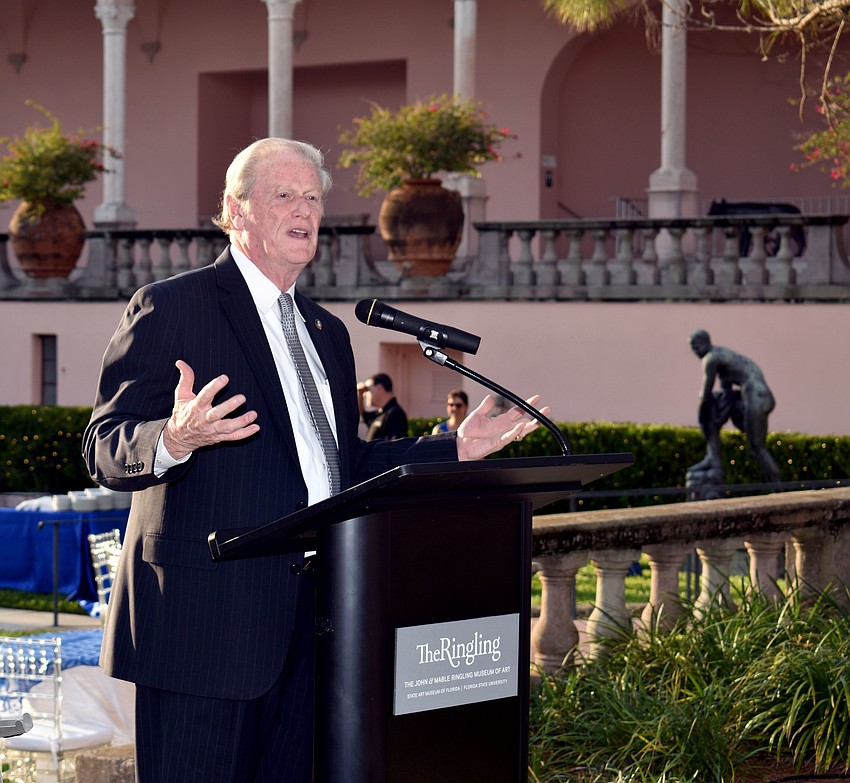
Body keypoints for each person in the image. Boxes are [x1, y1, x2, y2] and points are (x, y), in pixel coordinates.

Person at [82, 137, 546, 783]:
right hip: (203, 633)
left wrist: (456, 447)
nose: (305, 210)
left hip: (316, 628)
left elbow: (344, 465)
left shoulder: (326, 332)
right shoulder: (173, 306)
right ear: (235, 210)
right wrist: (173, 438)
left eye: (313, 198)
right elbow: (104, 444)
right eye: (284, 195)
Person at [688, 329, 780, 483]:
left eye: (696, 346)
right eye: (692, 348)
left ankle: (778, 490)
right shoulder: (724, 356)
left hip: (757, 398)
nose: (695, 351)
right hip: (754, 396)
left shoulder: (711, 359)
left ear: (705, 342)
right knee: (714, 410)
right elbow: (725, 389)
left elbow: (705, 394)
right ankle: (713, 457)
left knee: (757, 448)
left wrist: (701, 415)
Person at [357, 372, 408, 441]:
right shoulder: (380, 413)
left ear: (379, 388)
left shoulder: (395, 413)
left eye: (367, 390)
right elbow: (363, 414)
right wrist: (360, 394)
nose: (365, 395)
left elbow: (393, 446)